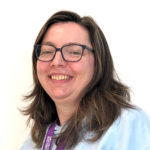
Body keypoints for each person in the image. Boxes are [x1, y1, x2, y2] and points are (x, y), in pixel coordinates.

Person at [20, 10, 150, 150]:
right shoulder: (39, 137)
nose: (57, 61)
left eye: (74, 52)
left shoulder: (127, 125)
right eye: (47, 51)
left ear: (98, 62)